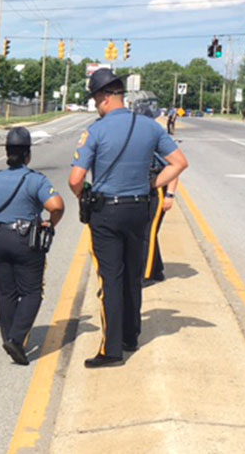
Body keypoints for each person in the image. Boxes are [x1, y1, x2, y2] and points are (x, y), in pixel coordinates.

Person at [69, 69, 188, 368]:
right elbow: (179, 163)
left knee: (111, 278)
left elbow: (75, 179)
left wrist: (85, 195)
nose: (96, 105)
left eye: (96, 99)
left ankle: (111, 350)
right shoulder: (150, 127)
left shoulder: (96, 131)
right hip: (140, 209)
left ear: (104, 98)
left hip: (107, 211)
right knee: (133, 275)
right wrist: (153, 185)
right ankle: (131, 337)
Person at [0, 127, 65, 365]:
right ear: (27, 155)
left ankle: (9, 337)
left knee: (6, 292)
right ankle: (16, 338)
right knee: (32, 292)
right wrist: (49, 224)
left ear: (7, 153)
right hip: (25, 240)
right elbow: (57, 205)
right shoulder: (35, 180)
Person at [143, 153, 180, 283]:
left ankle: (145, 275)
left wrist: (169, 195)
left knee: (147, 233)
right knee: (148, 231)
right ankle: (156, 270)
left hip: (156, 189)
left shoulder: (154, 137)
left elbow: (175, 165)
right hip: (145, 189)